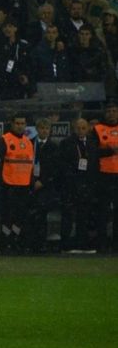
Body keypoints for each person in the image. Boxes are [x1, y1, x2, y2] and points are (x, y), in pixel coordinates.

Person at [59, 118, 99, 252]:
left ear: (88, 129)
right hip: (71, 185)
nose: (81, 131)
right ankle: (65, 245)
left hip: (87, 185)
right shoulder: (67, 143)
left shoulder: (93, 144)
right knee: (68, 215)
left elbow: (95, 164)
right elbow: (63, 165)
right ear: (73, 129)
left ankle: (82, 243)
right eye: (78, 128)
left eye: (83, 128)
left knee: (84, 215)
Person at [0, 113, 34, 253]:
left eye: (22, 123)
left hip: (23, 185)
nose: (20, 126)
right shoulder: (5, 140)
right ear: (12, 124)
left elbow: (30, 164)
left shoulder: (28, 142)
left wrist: (31, 182)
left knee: (20, 217)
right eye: (17, 123)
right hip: (9, 185)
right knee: (7, 217)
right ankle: (5, 243)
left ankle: (16, 241)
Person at [27, 117, 59, 253]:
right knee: (30, 215)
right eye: (42, 128)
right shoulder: (30, 144)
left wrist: (43, 181)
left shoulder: (53, 147)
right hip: (31, 185)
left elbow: (54, 168)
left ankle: (41, 244)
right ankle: (29, 243)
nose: (44, 131)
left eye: (47, 128)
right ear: (37, 129)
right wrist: (32, 181)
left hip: (46, 187)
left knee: (42, 215)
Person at [93, 102, 118, 252]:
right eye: (109, 111)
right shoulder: (97, 129)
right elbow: (92, 152)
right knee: (102, 210)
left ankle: (116, 243)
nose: (111, 114)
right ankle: (101, 243)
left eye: (114, 111)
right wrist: (109, 151)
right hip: (104, 175)